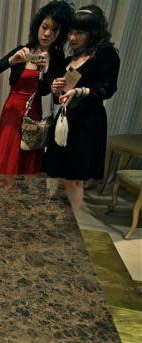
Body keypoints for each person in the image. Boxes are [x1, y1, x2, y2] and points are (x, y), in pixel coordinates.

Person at [43, 5, 120, 212]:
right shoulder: (69, 60)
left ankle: (74, 223)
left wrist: (80, 91)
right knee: (56, 171)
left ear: (93, 33)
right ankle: (52, 216)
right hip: (65, 121)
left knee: (75, 177)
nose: (72, 37)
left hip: (88, 122)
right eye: (70, 32)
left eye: (79, 32)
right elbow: (60, 99)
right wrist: (56, 89)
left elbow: (108, 88)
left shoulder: (106, 55)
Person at [0, 1, 73, 175]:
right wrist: (11, 61)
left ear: (60, 34)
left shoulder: (57, 57)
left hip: (33, 112)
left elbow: (50, 93)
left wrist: (46, 69)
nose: (47, 33)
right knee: (5, 157)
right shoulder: (23, 50)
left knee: (25, 159)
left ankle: (19, 198)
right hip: (12, 110)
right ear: (37, 26)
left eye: (54, 30)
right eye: (44, 27)